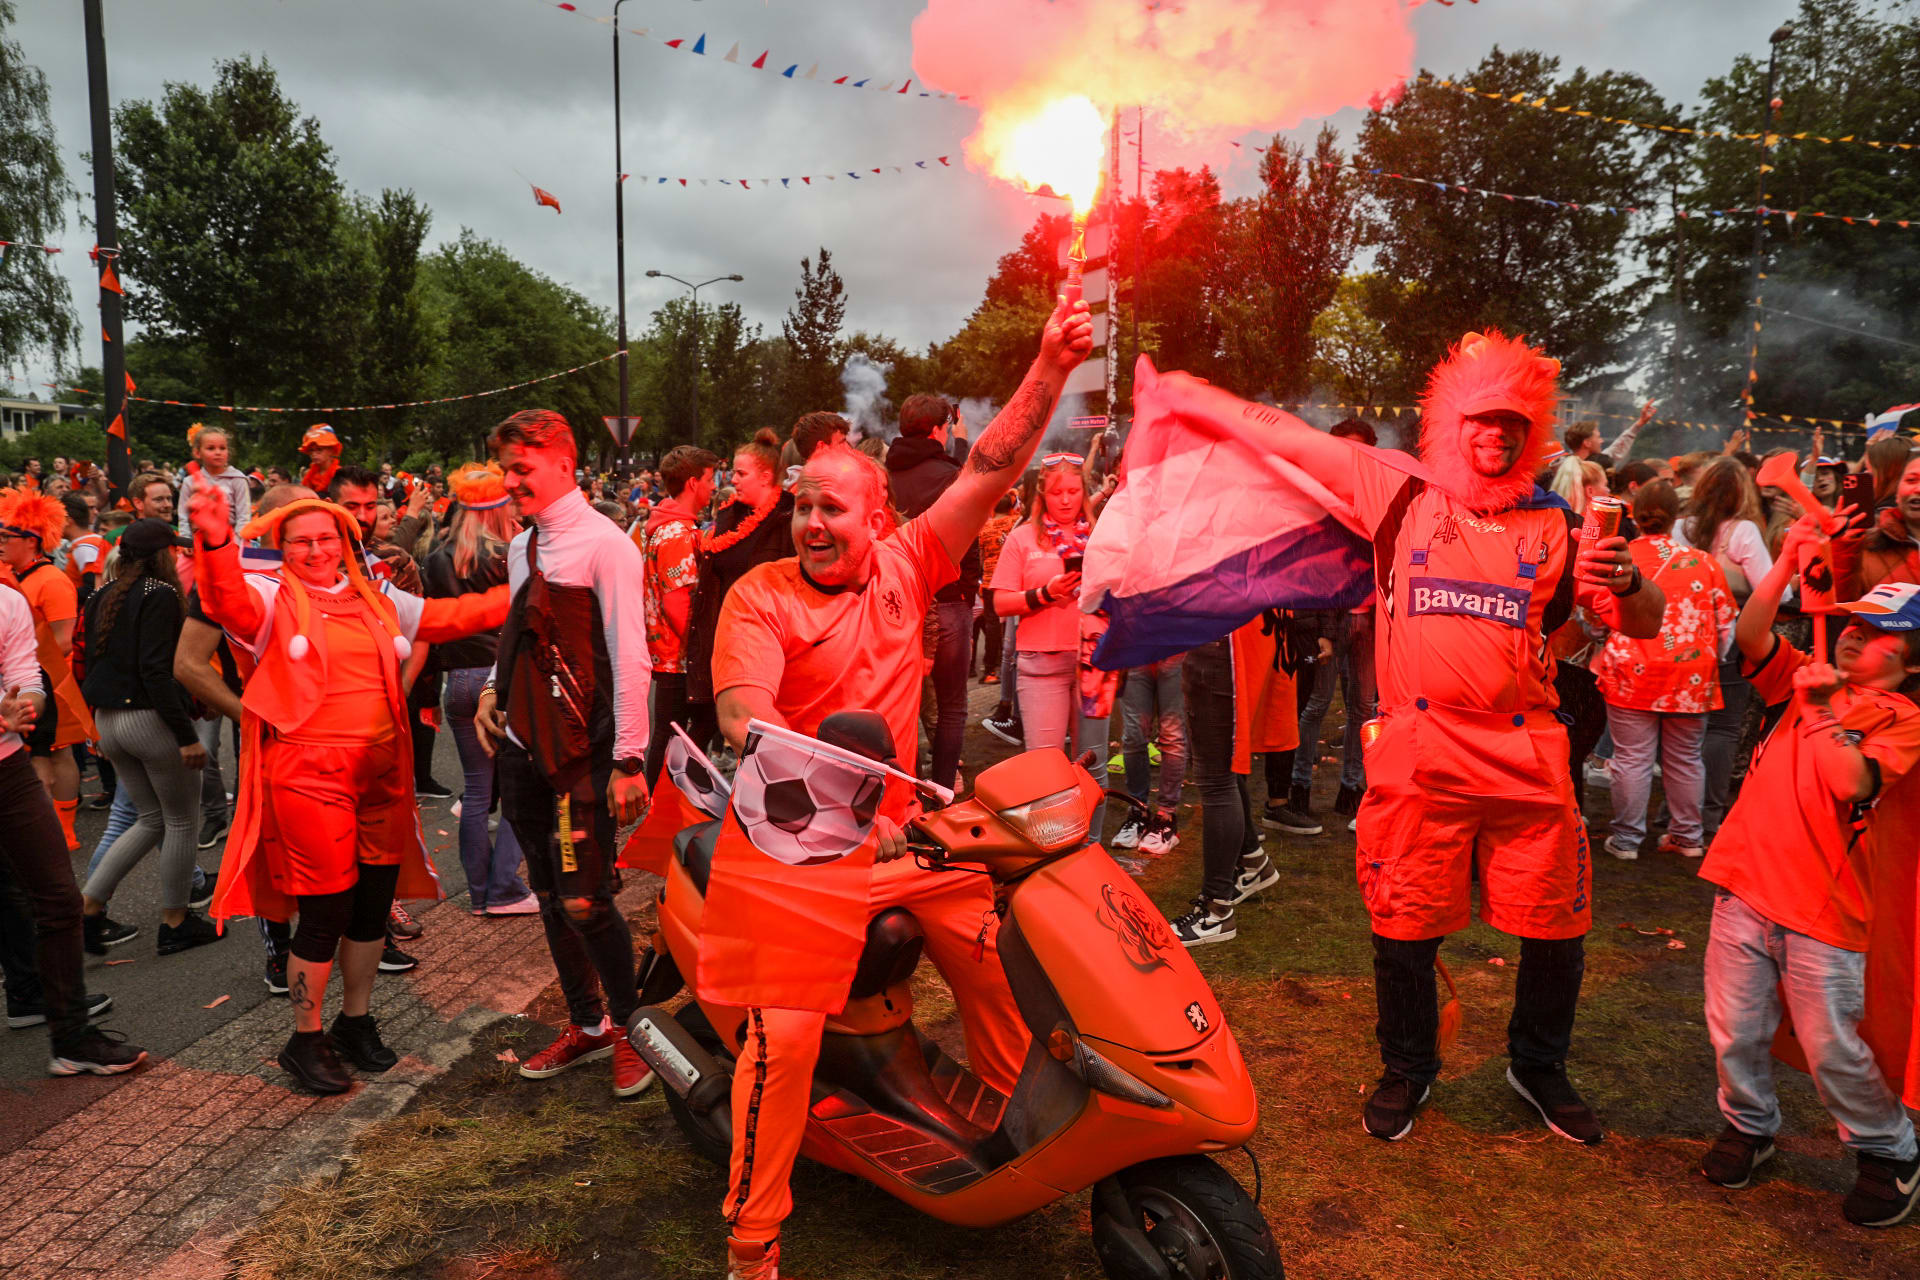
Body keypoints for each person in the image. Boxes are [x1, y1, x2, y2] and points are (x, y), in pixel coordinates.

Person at [1163, 330, 1665, 1144]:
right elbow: (1293, 439)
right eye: (1481, 419)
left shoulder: (1560, 522)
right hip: (1420, 752)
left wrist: (1632, 582)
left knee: (1555, 926)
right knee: (1403, 922)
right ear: (1450, 422)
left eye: (1512, 422)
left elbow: (1642, 622)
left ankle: (1538, 1066)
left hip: (1527, 754)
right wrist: (1191, 395)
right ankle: (1407, 1067)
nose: (1495, 434)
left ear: (1532, 431)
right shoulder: (1400, 494)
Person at [707, 295, 1092, 1280]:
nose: (811, 523)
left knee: (1008, 955)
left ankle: (1016, 1140)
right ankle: (752, 1241)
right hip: (795, 851)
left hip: (907, 843)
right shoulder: (759, 596)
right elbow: (743, 715)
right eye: (803, 505)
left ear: (879, 521)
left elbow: (991, 464)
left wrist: (1050, 364)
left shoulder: (909, 564)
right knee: (784, 1037)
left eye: (831, 508)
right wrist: (835, 789)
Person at [189, 487, 508, 1094]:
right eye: (301, 541)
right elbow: (223, 597)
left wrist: (532, 585)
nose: (316, 551)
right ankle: (304, 1039)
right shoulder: (267, 595)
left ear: (345, 542)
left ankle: (353, 1022)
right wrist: (215, 540)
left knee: (370, 907)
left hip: (382, 774)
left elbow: (452, 617)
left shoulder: (376, 595)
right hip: (309, 776)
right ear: (282, 547)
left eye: (326, 538)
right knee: (326, 910)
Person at [1698, 533, 1920, 1228]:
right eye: (1855, 622)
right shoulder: (1804, 672)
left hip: (1826, 910)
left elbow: (1853, 782)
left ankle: (1888, 1149)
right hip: (1744, 883)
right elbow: (1751, 634)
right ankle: (1749, 1124)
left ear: (1913, 661)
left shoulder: (1903, 719)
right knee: (1734, 1029)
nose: (1855, 634)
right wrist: (1787, 564)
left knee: (1833, 1047)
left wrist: (1821, 708)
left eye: (1879, 633)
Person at [470, 410, 655, 1101]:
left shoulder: (608, 546)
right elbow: (518, 631)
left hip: (584, 758)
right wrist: (491, 691)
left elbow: (631, 657)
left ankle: (636, 1032)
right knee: (550, 897)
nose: (510, 482)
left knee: (587, 900)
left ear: (564, 465)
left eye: (522, 469)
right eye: (506, 469)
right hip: (522, 751)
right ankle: (589, 1024)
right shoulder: (524, 545)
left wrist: (629, 759)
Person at [0, 587, 147, 1075]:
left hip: (8, 769)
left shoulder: (7, 602)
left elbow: (27, 678)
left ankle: (71, 1037)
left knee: (59, 899)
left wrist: (25, 707)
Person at [73, 518, 221, 956]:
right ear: (162, 555)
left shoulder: (101, 593)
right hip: (150, 721)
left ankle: (88, 908)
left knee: (150, 819)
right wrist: (186, 735)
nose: (177, 556)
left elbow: (87, 660)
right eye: (173, 550)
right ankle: (175, 921)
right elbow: (157, 671)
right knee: (180, 821)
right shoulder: (161, 594)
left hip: (109, 720)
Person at [1591, 481, 1734, 860]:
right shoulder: (1704, 562)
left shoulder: (1618, 558)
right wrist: (1711, 659)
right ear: (1676, 517)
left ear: (1634, 515)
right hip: (1691, 674)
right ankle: (1687, 838)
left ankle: (1626, 841)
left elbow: (1596, 618)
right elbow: (1726, 625)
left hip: (1630, 670)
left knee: (1631, 759)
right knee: (1685, 758)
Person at [424, 464, 535, 917]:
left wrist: (428, 694)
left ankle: (479, 894)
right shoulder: (510, 554)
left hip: (457, 681)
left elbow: (430, 628)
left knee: (475, 791)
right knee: (518, 790)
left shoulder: (437, 556)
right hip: (500, 680)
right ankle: (504, 889)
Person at [1675, 458, 1774, 837]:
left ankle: (1674, 816)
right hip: (1726, 638)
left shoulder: (1681, 527)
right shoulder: (1743, 531)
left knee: (1685, 731)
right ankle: (1707, 817)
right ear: (1742, 494)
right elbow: (1771, 589)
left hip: (1680, 636)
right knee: (1723, 728)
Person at [886, 396, 978, 792]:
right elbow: (969, 541)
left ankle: (901, 794)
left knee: (900, 704)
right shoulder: (950, 475)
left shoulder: (883, 475)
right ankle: (941, 791)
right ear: (939, 430)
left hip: (895, 600)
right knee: (952, 705)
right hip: (948, 597)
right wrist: (967, 590)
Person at [684, 429, 794, 753]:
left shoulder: (789, 515)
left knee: (762, 727)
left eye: (741, 473)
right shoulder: (729, 514)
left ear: (766, 477)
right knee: (712, 723)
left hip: (769, 641)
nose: (732, 479)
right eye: (733, 471)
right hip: (724, 634)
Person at [0, 488, 94, 853]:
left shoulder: (51, 579)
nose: (1, 543)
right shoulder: (17, 576)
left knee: (59, 753)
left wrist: (20, 664)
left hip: (53, 683)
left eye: (7, 537)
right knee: (38, 756)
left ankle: (65, 831)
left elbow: (64, 641)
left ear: (32, 541)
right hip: (27, 682)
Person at [636, 444, 719, 785]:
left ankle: (662, 798)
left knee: (673, 733)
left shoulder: (672, 528)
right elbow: (676, 605)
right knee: (680, 732)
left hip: (674, 657)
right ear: (693, 483)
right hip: (678, 660)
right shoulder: (676, 535)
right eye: (710, 480)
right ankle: (660, 798)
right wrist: (702, 650)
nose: (713, 487)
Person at [1833, 453, 1920, 601]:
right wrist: (1842, 551)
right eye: (1911, 480)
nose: (1918, 489)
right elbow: (1840, 604)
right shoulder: (1866, 545)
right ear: (1896, 491)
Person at [179, 424, 252, 538]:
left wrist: (237, 542)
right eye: (211, 448)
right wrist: (186, 540)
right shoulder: (190, 482)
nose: (218, 452)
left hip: (231, 540)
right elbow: (183, 516)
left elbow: (244, 516)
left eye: (222, 448)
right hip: (198, 541)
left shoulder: (238, 479)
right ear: (197, 453)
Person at [61, 494, 109, 606]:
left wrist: (60, 597)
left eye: (55, 519)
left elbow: (92, 587)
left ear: (68, 520)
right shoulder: (91, 541)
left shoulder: (85, 547)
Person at [299, 423, 342, 496]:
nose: (314, 454)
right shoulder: (309, 475)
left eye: (319, 449)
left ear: (331, 450)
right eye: (311, 450)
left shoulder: (340, 474)